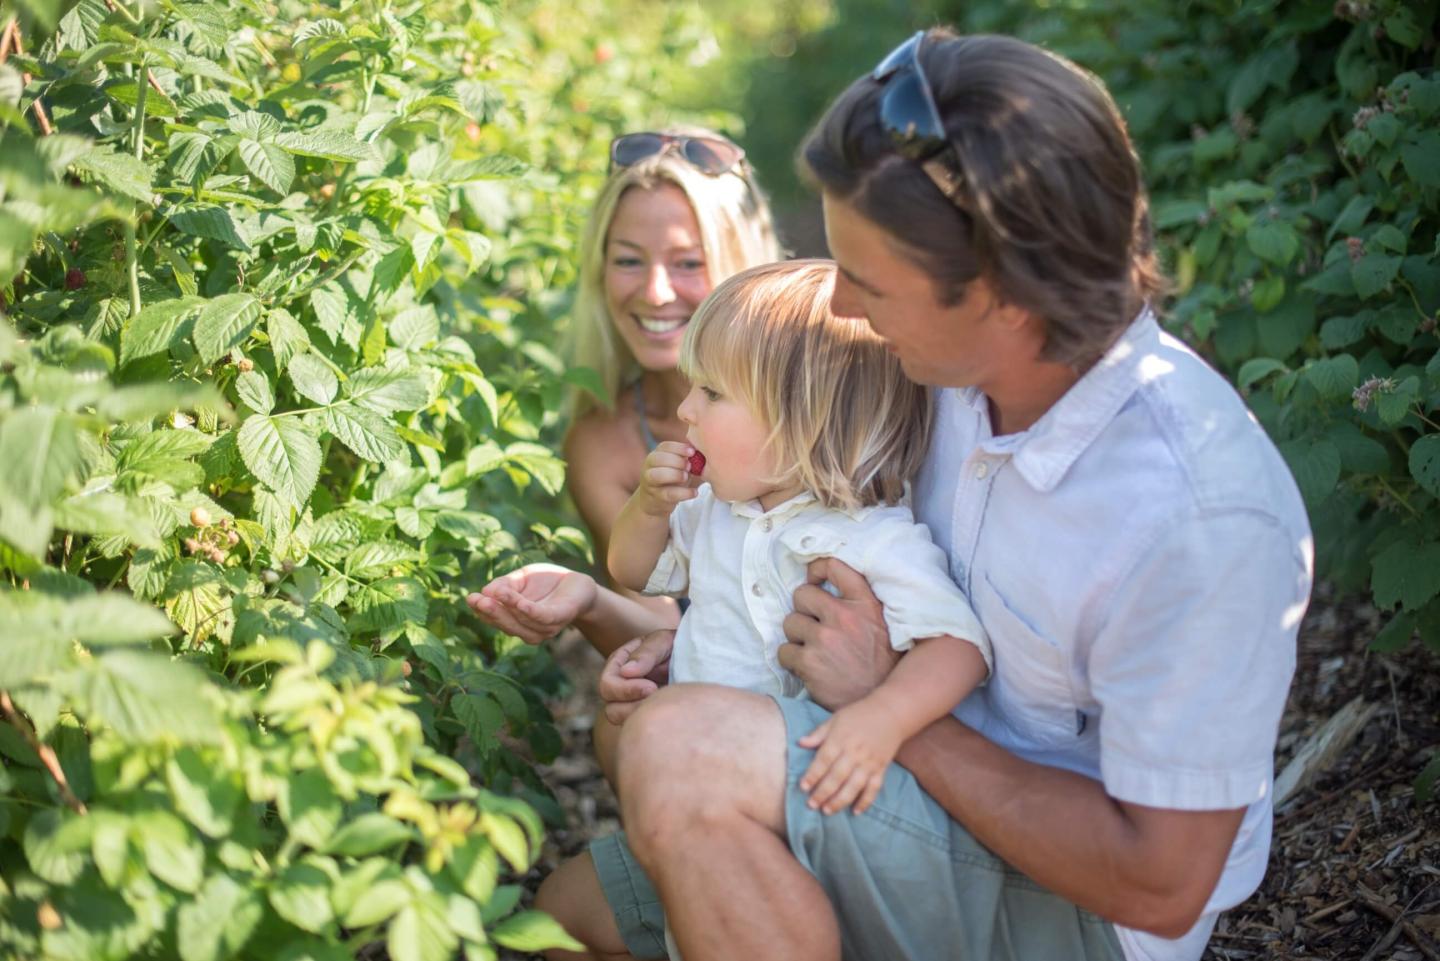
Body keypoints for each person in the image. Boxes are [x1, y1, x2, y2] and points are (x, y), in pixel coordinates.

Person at [561, 28, 1314, 961]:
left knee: (678, 750)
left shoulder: (1196, 519)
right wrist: (706, 642)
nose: (843, 310)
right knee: (566, 912)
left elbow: (1159, 885)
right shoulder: (936, 374)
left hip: (1066, 906)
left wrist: (884, 702)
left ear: (1003, 292)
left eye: (868, 282)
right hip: (890, 778)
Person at [466, 129, 781, 756]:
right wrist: (586, 600)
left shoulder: (814, 407)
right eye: (629, 260)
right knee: (622, 726)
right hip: (721, 689)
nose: (656, 291)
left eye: (689, 262)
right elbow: (665, 629)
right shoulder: (603, 443)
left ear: (743, 267)